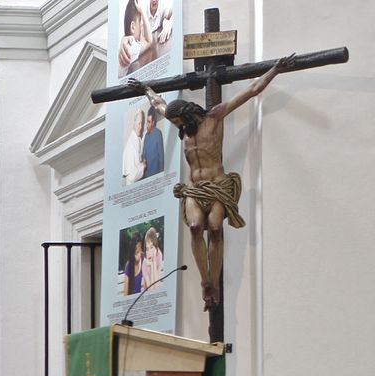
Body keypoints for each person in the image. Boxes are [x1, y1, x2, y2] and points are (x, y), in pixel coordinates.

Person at [131, 54, 296, 310]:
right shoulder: (181, 121)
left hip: (217, 185)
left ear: (191, 115)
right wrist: (146, 89)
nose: (180, 126)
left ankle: (215, 284)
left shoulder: (215, 117)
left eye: (183, 122)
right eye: (178, 123)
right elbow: (160, 103)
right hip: (195, 189)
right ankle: (206, 282)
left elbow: (252, 90)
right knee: (196, 227)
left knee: (216, 228)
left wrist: (275, 69)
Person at [117, 1, 152, 74]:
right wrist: (143, 12)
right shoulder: (132, 47)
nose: (142, 25)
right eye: (140, 21)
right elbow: (148, 41)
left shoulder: (127, 44)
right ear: (133, 27)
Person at [122, 109, 146, 185]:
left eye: (142, 124)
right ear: (134, 123)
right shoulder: (130, 144)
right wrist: (143, 166)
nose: (141, 127)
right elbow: (131, 177)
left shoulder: (138, 139)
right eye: (139, 123)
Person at [141, 109, 165, 177]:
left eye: (149, 122)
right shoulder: (146, 136)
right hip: (146, 175)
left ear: (153, 122)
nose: (147, 125)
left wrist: (161, 174)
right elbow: (144, 154)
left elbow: (161, 156)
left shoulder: (158, 133)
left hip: (155, 175)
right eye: (147, 121)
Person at [141, 226, 164, 291]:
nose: (149, 252)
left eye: (151, 247)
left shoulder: (159, 254)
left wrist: (153, 263)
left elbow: (157, 285)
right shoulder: (144, 263)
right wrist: (151, 264)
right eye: (147, 248)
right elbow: (151, 289)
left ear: (155, 245)